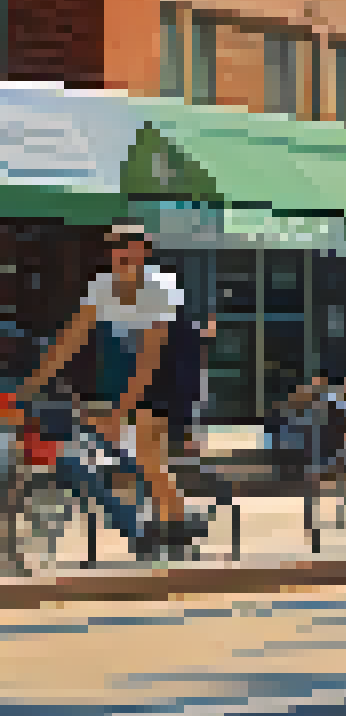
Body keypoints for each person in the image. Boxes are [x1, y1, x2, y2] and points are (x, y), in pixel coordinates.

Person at [6, 224, 207, 554]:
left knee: (146, 444)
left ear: (145, 252)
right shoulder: (103, 286)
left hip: (173, 366)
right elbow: (71, 338)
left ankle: (173, 521)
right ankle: (176, 521)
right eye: (116, 248)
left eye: (130, 247)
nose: (122, 254)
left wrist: (121, 410)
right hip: (138, 360)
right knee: (147, 456)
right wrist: (31, 385)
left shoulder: (160, 287)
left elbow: (153, 355)